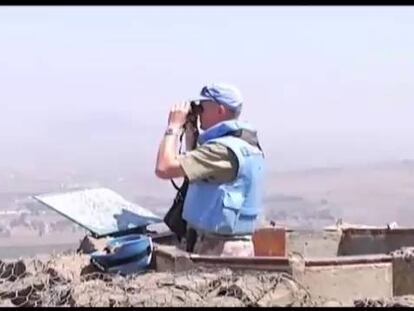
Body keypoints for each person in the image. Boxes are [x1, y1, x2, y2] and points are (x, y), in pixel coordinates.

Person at [155, 83, 265, 256]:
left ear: (220, 110)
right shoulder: (243, 145)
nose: (199, 112)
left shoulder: (223, 151)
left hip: (219, 250)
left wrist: (173, 127)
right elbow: (198, 172)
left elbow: (164, 167)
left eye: (203, 107)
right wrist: (191, 130)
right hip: (225, 246)